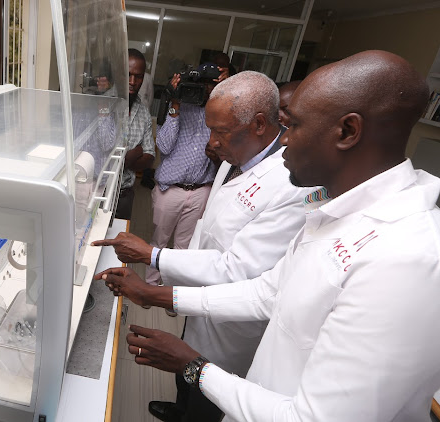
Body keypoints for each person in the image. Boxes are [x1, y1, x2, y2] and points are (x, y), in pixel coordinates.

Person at [97, 50, 440, 421]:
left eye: (293, 125)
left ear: (347, 131)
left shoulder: (415, 258)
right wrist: (154, 294)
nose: (284, 141)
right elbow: (266, 294)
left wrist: (195, 367)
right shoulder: (335, 210)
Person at [93, 71, 312, 422]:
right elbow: (206, 233)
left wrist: (154, 260)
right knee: (187, 374)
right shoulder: (236, 157)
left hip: (230, 327)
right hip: (199, 303)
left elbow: (237, 269)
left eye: (220, 132)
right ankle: (180, 410)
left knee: (207, 400)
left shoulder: (292, 185)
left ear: (258, 124)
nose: (211, 142)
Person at [148, 62, 226, 285]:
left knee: (184, 246)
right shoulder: (179, 106)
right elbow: (163, 146)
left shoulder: (221, 115)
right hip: (170, 189)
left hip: (202, 189)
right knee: (159, 241)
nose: (206, 89)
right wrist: (174, 103)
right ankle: (151, 285)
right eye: (202, 84)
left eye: (212, 84)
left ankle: (172, 291)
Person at [115, 49, 156, 220]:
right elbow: (102, 160)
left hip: (125, 195)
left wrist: (124, 160)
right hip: (97, 193)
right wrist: (134, 154)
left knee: (117, 243)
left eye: (138, 76)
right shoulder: (104, 104)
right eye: (128, 74)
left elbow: (150, 156)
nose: (133, 81)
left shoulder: (144, 112)